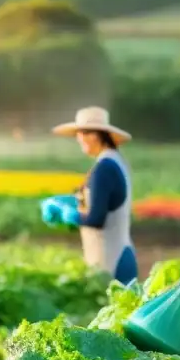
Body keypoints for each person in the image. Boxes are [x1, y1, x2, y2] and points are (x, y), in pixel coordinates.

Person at [40, 106, 138, 285]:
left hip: (110, 261)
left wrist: (67, 215)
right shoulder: (114, 161)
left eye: (81, 133)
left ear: (95, 135)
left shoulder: (104, 169)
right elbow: (103, 202)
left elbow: (96, 219)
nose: (78, 139)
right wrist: (71, 202)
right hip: (119, 253)